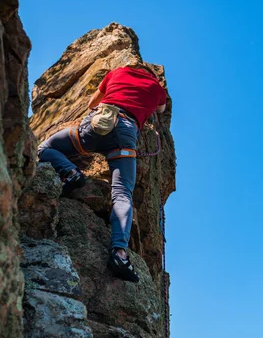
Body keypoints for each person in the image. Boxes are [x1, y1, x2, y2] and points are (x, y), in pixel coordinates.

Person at [37, 64, 166, 283]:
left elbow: (91, 103)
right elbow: (160, 110)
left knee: (44, 148)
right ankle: (119, 253)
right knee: (123, 194)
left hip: (99, 122)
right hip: (126, 134)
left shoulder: (117, 72)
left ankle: (71, 172)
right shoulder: (156, 88)